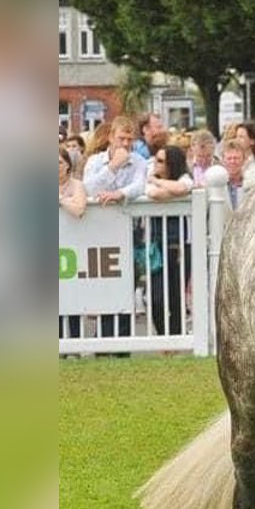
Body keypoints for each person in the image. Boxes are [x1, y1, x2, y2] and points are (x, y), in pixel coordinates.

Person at [82, 114, 147, 351]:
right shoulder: (95, 162)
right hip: (98, 234)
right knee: (103, 286)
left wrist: (119, 194)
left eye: (130, 139)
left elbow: (140, 185)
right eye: (122, 138)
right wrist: (113, 166)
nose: (126, 144)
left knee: (125, 286)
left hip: (128, 233)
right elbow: (89, 187)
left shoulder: (139, 161)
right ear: (110, 137)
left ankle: (121, 345)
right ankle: (103, 341)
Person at [144, 144, 193, 338]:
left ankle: (176, 337)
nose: (156, 163)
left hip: (180, 244)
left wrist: (157, 182)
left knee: (176, 295)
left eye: (161, 161)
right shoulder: (150, 176)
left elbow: (182, 186)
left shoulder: (183, 176)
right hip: (156, 245)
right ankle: (163, 335)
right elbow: (153, 194)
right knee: (155, 296)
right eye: (156, 159)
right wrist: (167, 188)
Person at [58, 147, 88, 340]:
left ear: (68, 165)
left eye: (59, 162)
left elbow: (79, 209)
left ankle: (76, 342)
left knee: (73, 291)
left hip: (72, 246)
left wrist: (60, 199)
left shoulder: (77, 185)